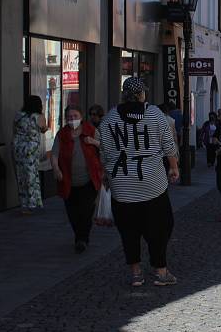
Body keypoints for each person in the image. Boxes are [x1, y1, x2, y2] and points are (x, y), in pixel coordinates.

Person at [99, 77, 179, 286]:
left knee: (128, 231)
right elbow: (169, 145)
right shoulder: (154, 114)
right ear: (142, 94)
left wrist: (106, 175)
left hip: (122, 186)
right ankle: (160, 271)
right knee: (161, 228)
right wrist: (174, 167)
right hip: (152, 183)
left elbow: (105, 152)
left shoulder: (109, 119)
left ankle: (136, 273)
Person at [50, 106, 103, 254]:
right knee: (73, 212)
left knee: (86, 210)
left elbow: (105, 148)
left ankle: (82, 239)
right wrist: (56, 169)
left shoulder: (91, 130)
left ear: (81, 116)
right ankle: (79, 236)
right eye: (69, 117)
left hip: (89, 179)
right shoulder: (62, 134)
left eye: (75, 116)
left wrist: (93, 141)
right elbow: (54, 153)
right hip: (68, 180)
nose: (72, 119)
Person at [13, 95, 48, 215]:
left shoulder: (18, 115)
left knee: (21, 175)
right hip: (31, 149)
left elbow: (15, 130)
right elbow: (44, 129)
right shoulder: (38, 117)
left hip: (18, 148)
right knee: (32, 174)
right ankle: (32, 203)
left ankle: (24, 204)